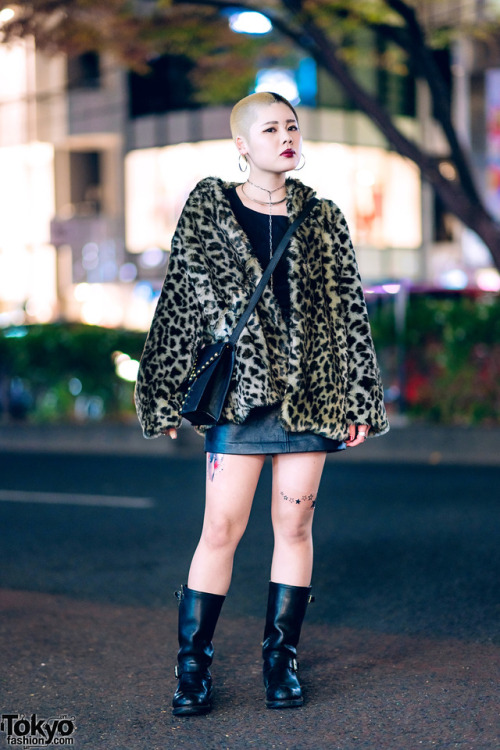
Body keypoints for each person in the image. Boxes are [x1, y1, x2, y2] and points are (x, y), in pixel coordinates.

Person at [135, 91, 389, 716]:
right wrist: (162, 393)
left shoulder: (324, 218)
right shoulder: (208, 214)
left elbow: (348, 315)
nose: (286, 136)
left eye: (292, 126)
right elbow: (179, 307)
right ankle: (192, 669)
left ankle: (282, 662)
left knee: (295, 525)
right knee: (220, 528)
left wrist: (358, 398)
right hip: (240, 402)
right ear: (242, 145)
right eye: (270, 128)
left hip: (313, 394)